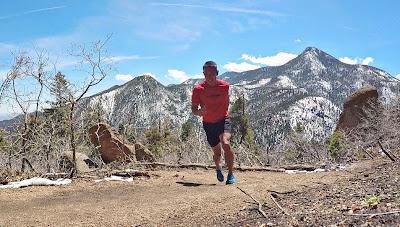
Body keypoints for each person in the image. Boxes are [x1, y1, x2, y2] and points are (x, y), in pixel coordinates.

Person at [191, 61, 235, 184]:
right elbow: (194, 109)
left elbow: (226, 101)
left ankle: (231, 173)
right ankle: (217, 168)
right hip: (208, 123)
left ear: (217, 73)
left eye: (211, 73)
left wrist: (223, 113)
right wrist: (199, 112)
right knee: (217, 152)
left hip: (222, 120)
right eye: (206, 74)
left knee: (225, 143)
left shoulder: (224, 86)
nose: (208, 76)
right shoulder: (198, 89)